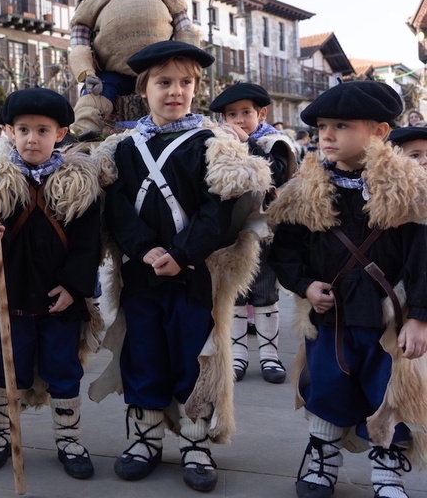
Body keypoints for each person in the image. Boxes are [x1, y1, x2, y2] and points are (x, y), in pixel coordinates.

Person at [89, 41, 270, 492]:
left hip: (193, 274)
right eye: (164, 82)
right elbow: (117, 208)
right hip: (140, 272)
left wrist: (182, 254)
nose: (175, 91)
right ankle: (145, 438)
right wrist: (145, 249)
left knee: (195, 354)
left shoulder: (212, 144)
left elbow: (218, 210)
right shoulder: (124, 148)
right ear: (143, 89)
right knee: (142, 351)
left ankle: (195, 442)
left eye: (185, 82)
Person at [268, 82, 427, 498]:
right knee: (326, 385)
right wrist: (305, 285)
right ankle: (322, 460)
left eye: (341, 125)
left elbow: (423, 260)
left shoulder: (411, 190)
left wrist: (420, 318)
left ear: (379, 131)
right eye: (322, 126)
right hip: (331, 315)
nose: (327, 135)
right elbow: (285, 251)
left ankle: (387, 470)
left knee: (388, 392)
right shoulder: (304, 191)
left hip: (388, 320)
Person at [0, 87, 102, 480]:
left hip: (60, 300)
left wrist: (73, 287)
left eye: (42, 130)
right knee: (9, 369)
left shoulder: (79, 184)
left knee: (63, 368)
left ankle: (69, 439)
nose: (32, 139)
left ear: (60, 133)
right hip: (12, 297)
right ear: (9, 131)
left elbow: (88, 245)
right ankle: (3, 435)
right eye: (23, 129)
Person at [68, 0, 195, 139]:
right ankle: (84, 135)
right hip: (111, 74)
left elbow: (184, 28)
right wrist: (86, 72)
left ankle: (179, 135)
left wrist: (189, 62)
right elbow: (79, 39)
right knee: (93, 99)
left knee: (173, 98)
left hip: (160, 69)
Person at [209, 83, 298, 384]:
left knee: (264, 293)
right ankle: (237, 357)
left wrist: (247, 143)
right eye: (231, 114)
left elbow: (275, 172)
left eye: (246, 112)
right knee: (235, 294)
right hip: (231, 233)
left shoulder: (275, 143)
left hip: (264, 232)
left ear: (261, 114)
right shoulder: (219, 145)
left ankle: (270, 357)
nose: (239, 120)